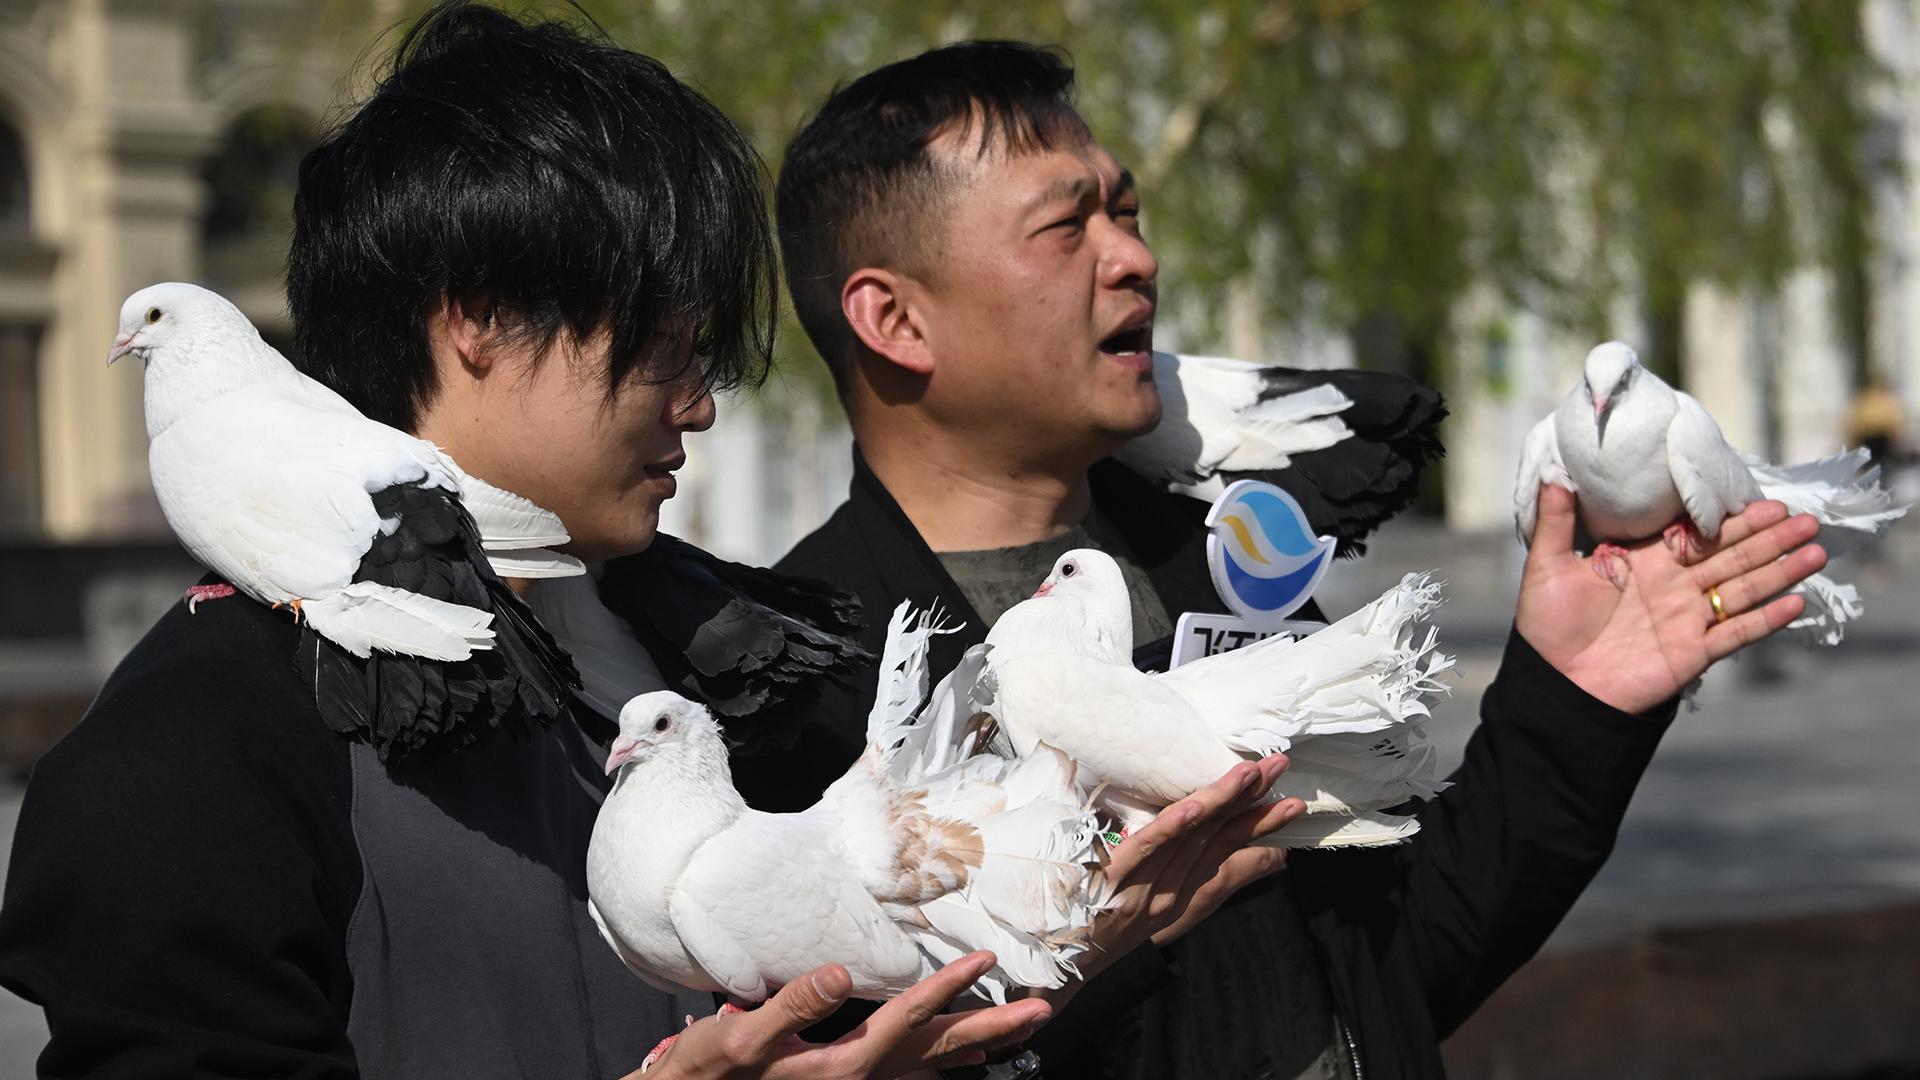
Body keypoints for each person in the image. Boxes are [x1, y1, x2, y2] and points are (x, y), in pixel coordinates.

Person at [0, 10, 1299, 1079]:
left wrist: (1059, 950)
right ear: (481, 324)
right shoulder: (202, 741)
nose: (700, 399)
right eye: (664, 347)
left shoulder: (750, 658)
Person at [765, 41, 1832, 1078]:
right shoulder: (810, 688)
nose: (1133, 258)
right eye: (1064, 227)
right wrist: (1100, 956)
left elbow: (1395, 961)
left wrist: (1577, 702)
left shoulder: (1216, 564)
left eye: (1126, 212)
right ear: (894, 318)